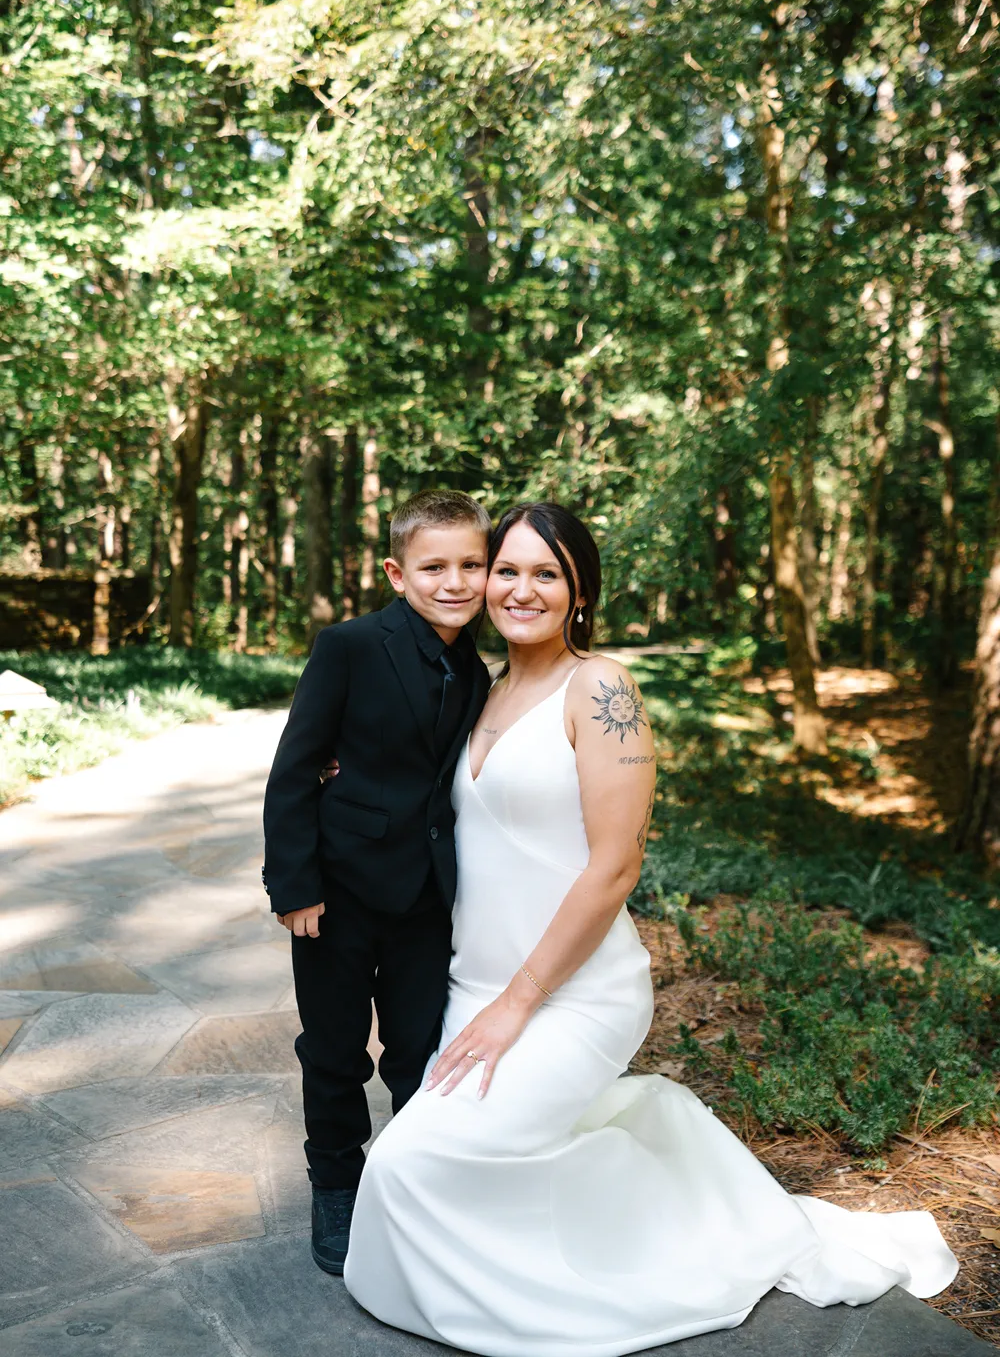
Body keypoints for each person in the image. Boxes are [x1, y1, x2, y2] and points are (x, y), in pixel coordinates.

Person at [343, 501, 958, 1357]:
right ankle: (641, 1174)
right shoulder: (481, 689)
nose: (521, 589)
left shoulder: (601, 688)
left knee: (410, 1168)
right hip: (472, 988)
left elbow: (615, 866)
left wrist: (519, 1005)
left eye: (546, 573)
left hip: (568, 996)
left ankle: (635, 1266)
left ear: (579, 590)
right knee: (422, 1162)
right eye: (507, 570)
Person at [261, 489, 492, 1277]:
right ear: (398, 573)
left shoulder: (478, 666)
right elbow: (296, 767)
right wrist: (294, 887)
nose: (454, 581)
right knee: (332, 1052)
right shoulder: (349, 647)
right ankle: (336, 1183)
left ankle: (414, 1181)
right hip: (338, 896)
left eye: (471, 564)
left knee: (421, 1052)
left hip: (427, 899)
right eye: (434, 566)